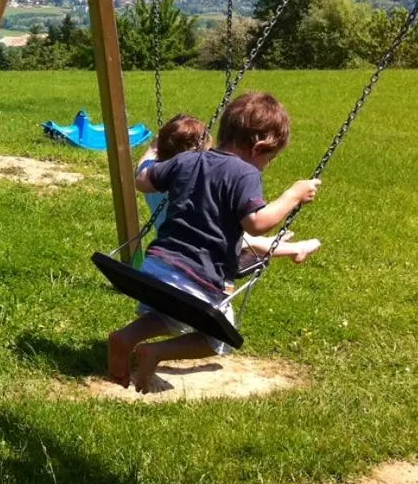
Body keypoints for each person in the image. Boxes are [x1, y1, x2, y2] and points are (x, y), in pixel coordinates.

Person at [108, 93, 320, 393]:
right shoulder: (245, 173)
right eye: (269, 159)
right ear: (259, 146)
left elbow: (142, 180)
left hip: (155, 267)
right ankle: (155, 352)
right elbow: (256, 224)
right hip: (199, 278)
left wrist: (151, 153)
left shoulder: (186, 159)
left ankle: (125, 338)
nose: (267, 166)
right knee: (221, 336)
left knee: (168, 314)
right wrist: (293, 195)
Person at [137, 114, 322, 265]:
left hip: (161, 257)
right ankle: (293, 248)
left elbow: (141, 173)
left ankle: (279, 245)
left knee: (246, 239)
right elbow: (256, 222)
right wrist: (293, 195)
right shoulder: (197, 175)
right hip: (201, 253)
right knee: (243, 240)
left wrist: (152, 148)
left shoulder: (162, 173)